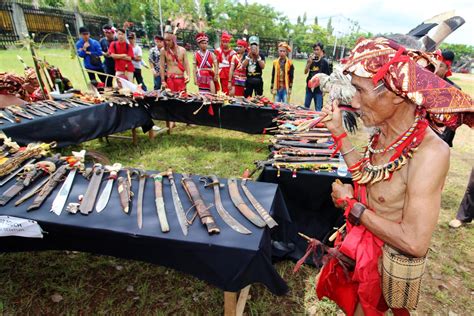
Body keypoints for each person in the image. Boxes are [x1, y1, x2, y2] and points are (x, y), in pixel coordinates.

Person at [316, 37, 473, 315]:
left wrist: (352, 207)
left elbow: (414, 242)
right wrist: (339, 133)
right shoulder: (384, 131)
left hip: (382, 274)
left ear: (398, 92)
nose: (353, 100)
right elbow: (368, 176)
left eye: (360, 90)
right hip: (357, 255)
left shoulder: (430, 153)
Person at [435, 49, 460, 147]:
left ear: (447, 69)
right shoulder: (423, 83)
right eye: (435, 64)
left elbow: (453, 122)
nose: (436, 68)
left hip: (439, 138)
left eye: (440, 66)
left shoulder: (454, 90)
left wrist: (443, 141)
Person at [160, 26, 190, 93]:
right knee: (171, 101)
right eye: (165, 40)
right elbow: (161, 66)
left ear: (173, 40)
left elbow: (186, 64)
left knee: (182, 100)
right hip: (170, 80)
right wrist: (163, 81)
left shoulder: (183, 50)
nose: (167, 42)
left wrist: (188, 75)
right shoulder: (163, 50)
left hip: (181, 80)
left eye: (169, 40)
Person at [304, 42, 330, 110]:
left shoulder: (325, 62)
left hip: (319, 90)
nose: (315, 51)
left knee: (318, 109)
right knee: (306, 107)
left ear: (321, 50)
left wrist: (324, 90)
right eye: (314, 49)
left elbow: (327, 77)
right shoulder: (311, 60)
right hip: (309, 88)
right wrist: (309, 63)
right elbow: (305, 72)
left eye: (317, 49)